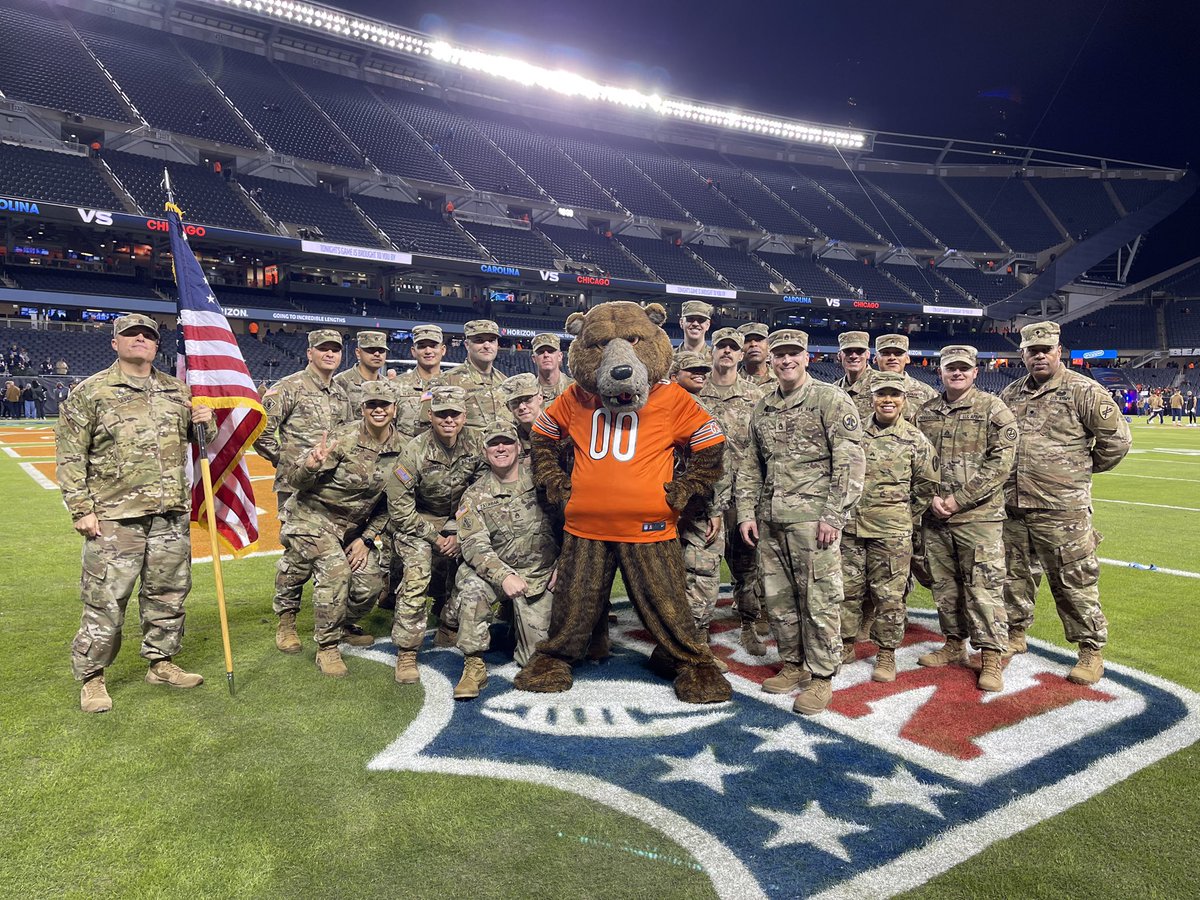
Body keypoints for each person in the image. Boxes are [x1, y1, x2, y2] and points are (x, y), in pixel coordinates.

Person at [55, 314, 215, 713]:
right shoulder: (91, 392)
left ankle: (160, 662)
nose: (140, 340)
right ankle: (92, 678)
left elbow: (200, 445)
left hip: (169, 513)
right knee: (106, 599)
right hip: (114, 516)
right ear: (115, 343)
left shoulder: (177, 391)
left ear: (156, 345)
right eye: (131, 335)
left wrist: (205, 423)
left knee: (168, 594)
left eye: (148, 336)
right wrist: (81, 509)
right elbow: (71, 455)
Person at [736, 329, 865, 715]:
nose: (786, 360)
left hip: (814, 522)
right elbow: (750, 464)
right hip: (772, 520)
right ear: (771, 360)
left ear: (807, 357)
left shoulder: (829, 399)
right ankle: (793, 664)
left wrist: (833, 515)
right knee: (779, 600)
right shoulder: (764, 406)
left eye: (794, 354)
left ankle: (822, 676)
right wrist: (745, 512)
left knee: (820, 600)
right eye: (780, 355)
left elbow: (851, 461)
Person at [998, 322, 1131, 685]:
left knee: (1074, 580)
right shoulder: (1011, 394)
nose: (1039, 355)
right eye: (1032, 350)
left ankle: (1090, 651)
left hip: (1062, 510)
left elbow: (1117, 441)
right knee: (1013, 576)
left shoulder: (1083, 391)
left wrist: (1078, 472)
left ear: (1059, 351)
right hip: (1013, 506)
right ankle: (1014, 634)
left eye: (1046, 349)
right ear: (1022, 354)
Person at [274, 381, 405, 675]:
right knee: (335, 571)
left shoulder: (404, 450)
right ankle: (324, 644)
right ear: (363, 409)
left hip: (352, 530)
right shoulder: (343, 438)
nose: (378, 409)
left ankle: (341, 622)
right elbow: (295, 481)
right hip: (311, 516)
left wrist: (367, 539)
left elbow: (392, 503)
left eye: (385, 404)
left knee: (369, 583)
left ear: (395, 409)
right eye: (372, 404)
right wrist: (309, 465)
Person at [914, 345, 1017, 693]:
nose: (957, 373)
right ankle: (954, 643)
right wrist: (930, 499)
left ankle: (990, 656)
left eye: (963, 368)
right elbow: (915, 461)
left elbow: (1000, 465)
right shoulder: (925, 412)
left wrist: (958, 500)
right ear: (940, 372)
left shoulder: (993, 409)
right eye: (950, 368)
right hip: (935, 517)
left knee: (984, 588)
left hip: (979, 518)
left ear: (976, 372)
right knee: (944, 587)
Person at [253, 328, 351, 652]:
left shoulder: (342, 393)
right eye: (323, 348)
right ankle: (287, 621)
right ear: (309, 352)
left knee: (334, 549)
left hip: (332, 489)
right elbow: (260, 431)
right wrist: (286, 462)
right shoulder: (288, 387)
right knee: (297, 555)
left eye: (335, 349)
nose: (329, 354)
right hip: (295, 487)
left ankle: (337, 617)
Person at [839, 372, 939, 682]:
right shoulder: (853, 434)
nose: (888, 400)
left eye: (894, 395)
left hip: (892, 532)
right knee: (847, 592)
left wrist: (904, 515)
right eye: (882, 394)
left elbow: (926, 484)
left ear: (903, 400)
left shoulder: (914, 439)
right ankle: (844, 644)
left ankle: (886, 653)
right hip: (852, 528)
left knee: (889, 596)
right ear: (872, 399)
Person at [450, 420, 561, 698]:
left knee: (536, 661)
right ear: (485, 451)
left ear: (518, 446)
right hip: (498, 575)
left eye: (507, 442)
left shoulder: (543, 481)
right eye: (493, 444)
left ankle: (515, 618)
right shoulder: (474, 495)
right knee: (473, 586)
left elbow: (574, 524)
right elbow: (474, 545)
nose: (501, 448)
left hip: (540, 574)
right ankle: (473, 663)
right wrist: (504, 576)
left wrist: (565, 565)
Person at [386, 386, 486, 684]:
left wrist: (458, 532)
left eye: (454, 413)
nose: (448, 419)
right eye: (442, 414)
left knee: (475, 567)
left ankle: (449, 624)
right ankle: (407, 651)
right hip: (419, 520)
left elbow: (480, 492)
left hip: (461, 521)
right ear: (431, 416)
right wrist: (435, 536)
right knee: (417, 573)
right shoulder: (415, 449)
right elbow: (399, 504)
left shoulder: (477, 443)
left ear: (464, 416)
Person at [701, 328, 768, 655]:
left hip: (743, 495)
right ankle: (700, 631)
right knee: (704, 565)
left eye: (733, 347)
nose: (727, 352)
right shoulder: (697, 394)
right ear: (712, 352)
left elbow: (761, 449)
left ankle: (748, 624)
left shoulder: (754, 396)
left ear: (742, 354)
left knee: (747, 566)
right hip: (707, 496)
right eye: (721, 347)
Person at [672, 352, 728, 670]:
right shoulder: (676, 407)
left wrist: (715, 506)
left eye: (704, 370)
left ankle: (690, 646)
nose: (701, 374)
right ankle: (691, 650)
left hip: (686, 507)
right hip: (681, 507)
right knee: (693, 576)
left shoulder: (689, 407)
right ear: (675, 373)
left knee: (692, 576)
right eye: (692, 370)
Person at [446, 319, 512, 434]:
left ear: (497, 345)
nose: (487, 346)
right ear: (467, 345)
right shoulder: (447, 381)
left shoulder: (506, 383)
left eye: (491, 340)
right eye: (479, 341)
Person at [393, 324, 447, 440]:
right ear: (413, 351)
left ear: (443, 350)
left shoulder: (453, 385)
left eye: (433, 346)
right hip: (405, 453)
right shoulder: (396, 385)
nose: (428, 351)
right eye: (422, 346)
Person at [873, 334, 937, 422]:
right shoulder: (861, 390)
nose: (892, 357)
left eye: (898, 353)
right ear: (875, 359)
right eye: (885, 353)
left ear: (907, 358)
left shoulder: (927, 393)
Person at [333, 330, 389, 412]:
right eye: (371, 350)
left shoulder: (388, 385)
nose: (377, 354)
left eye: (381, 350)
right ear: (358, 353)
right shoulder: (341, 381)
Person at [833, 331, 876, 420]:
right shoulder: (834, 389)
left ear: (868, 354)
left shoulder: (881, 383)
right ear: (839, 355)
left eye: (859, 351)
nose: (853, 356)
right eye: (848, 351)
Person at [500, 372, 543, 455]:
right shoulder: (510, 440)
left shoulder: (560, 429)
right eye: (515, 403)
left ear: (540, 398)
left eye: (527, 399)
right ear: (508, 407)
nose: (522, 407)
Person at [531, 333, 573, 402]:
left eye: (551, 351)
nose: (546, 355)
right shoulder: (529, 394)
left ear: (560, 356)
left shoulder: (575, 390)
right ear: (534, 358)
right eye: (541, 352)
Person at [737, 322, 776, 388]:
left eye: (758, 340)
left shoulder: (782, 379)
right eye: (747, 341)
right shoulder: (731, 381)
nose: (753, 344)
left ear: (768, 346)